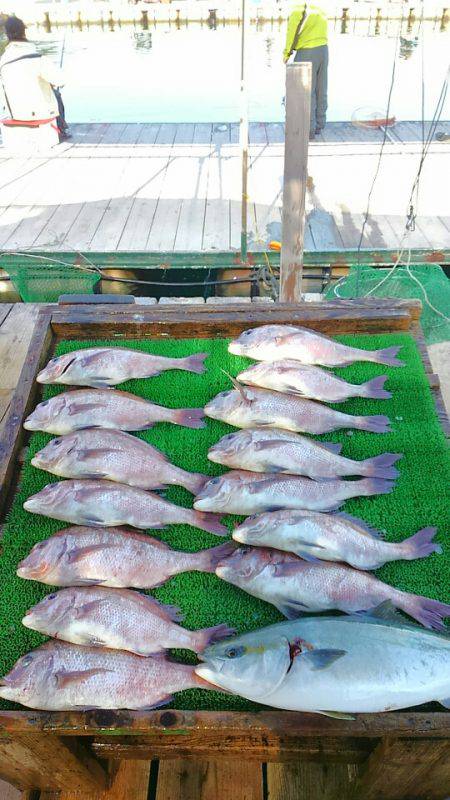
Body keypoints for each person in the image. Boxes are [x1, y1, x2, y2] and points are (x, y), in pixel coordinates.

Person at [0, 16, 69, 140]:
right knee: (56, 94)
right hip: (39, 114)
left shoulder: (3, 60)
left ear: (7, 34)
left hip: (14, 113)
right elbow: (61, 80)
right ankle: (61, 131)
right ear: (24, 31)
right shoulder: (37, 58)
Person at [283, 3, 328, 139]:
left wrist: (287, 53)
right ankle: (320, 124)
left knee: (306, 92)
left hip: (307, 51)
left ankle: (308, 130)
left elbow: (291, 32)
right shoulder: (318, 7)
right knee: (321, 88)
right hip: (324, 50)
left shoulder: (297, 8)